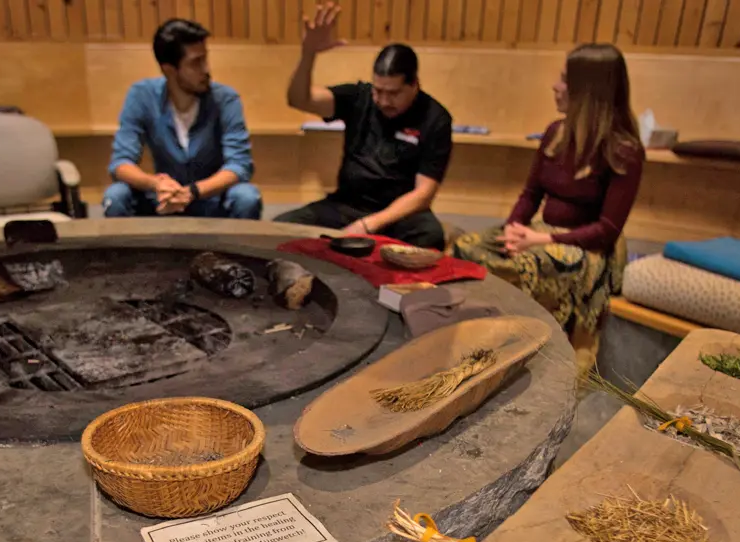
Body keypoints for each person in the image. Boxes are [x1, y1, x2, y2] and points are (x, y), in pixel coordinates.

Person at [453, 43, 644, 372]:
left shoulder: (624, 150)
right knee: (465, 248)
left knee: (527, 262)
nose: (555, 87)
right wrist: (513, 228)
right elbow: (530, 194)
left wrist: (539, 241)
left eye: (564, 80)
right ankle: (476, 337)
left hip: (587, 249)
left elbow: (606, 231)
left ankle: (527, 348)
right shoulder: (555, 133)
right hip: (538, 234)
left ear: (588, 91)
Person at [275, 3, 452, 250]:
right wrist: (308, 54)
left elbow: (423, 194)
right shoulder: (360, 96)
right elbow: (299, 99)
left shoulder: (436, 117)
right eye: (378, 91)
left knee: (430, 237)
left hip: (399, 213)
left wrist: (368, 225)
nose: (383, 101)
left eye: (393, 93)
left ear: (415, 85)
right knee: (282, 229)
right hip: (348, 204)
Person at [104, 19, 262, 220]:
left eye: (205, 59)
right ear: (169, 70)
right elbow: (121, 163)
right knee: (116, 195)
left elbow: (239, 164)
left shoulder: (225, 99)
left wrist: (193, 192)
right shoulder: (141, 95)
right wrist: (156, 184)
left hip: (210, 197)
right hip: (162, 198)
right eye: (196, 63)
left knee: (246, 197)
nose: (206, 69)